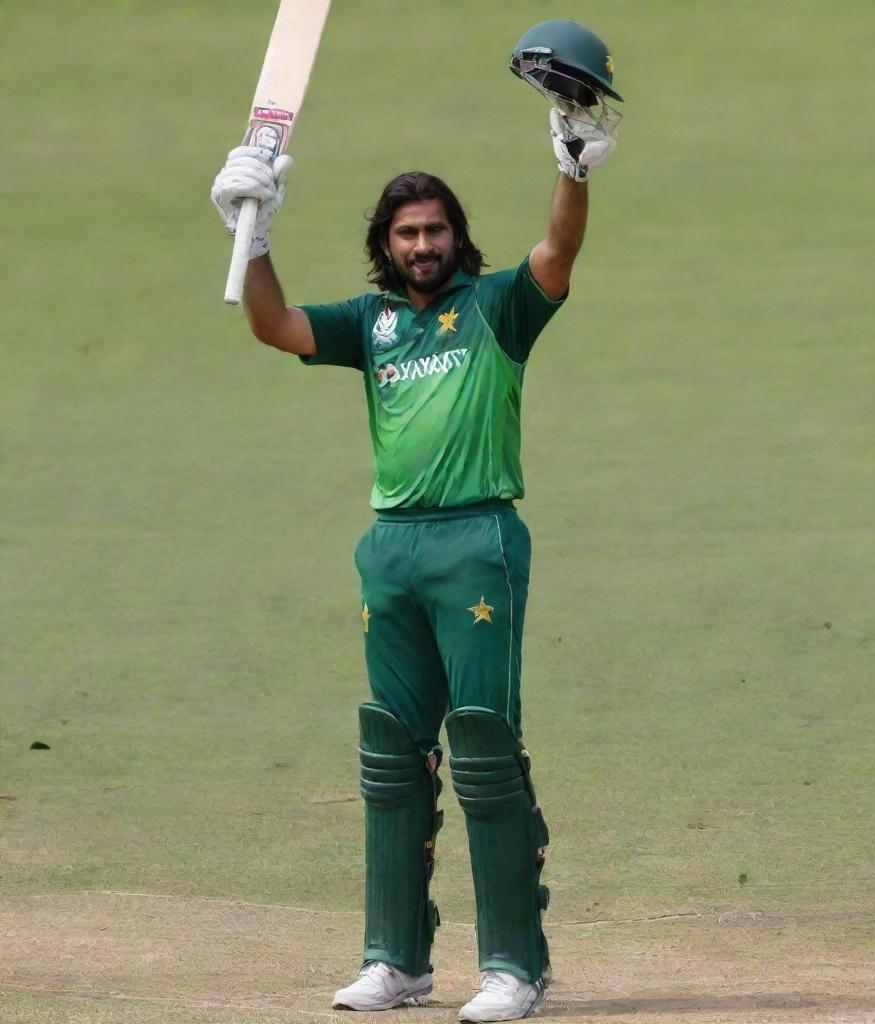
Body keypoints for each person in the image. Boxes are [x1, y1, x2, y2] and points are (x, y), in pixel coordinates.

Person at [210, 22, 620, 1022]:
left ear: (456, 236)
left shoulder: (494, 309)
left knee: (483, 746)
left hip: (478, 541)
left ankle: (512, 966)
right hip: (391, 551)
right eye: (406, 234)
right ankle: (395, 959)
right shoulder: (373, 323)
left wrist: (571, 165)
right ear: (386, 246)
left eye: (435, 230)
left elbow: (559, 250)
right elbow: (270, 324)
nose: (423, 245)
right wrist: (250, 229)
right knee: (391, 749)